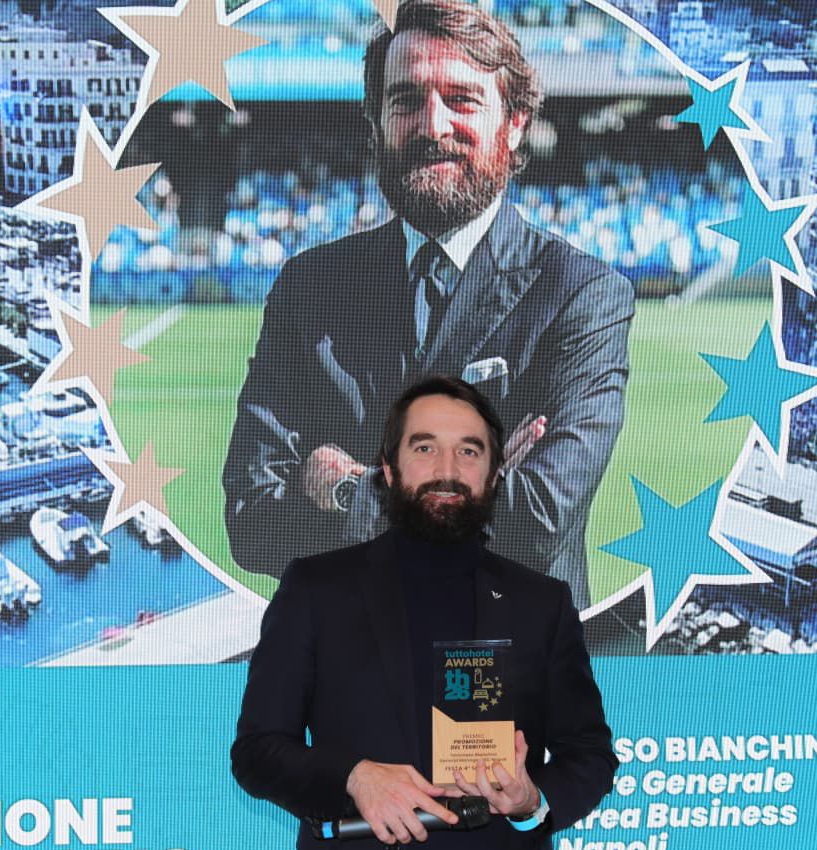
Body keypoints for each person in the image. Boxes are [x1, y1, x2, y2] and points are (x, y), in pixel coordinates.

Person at [232, 376, 617, 850]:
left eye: (469, 451)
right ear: (388, 469)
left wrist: (532, 799)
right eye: (424, 447)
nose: (447, 468)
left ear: (494, 473)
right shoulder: (317, 590)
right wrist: (354, 777)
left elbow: (589, 756)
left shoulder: (540, 603)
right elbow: (258, 751)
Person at [222, 0, 635, 610]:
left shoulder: (581, 295)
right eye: (406, 100)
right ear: (376, 124)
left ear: (514, 123)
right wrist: (476, 488)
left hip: (504, 653)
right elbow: (252, 521)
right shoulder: (309, 286)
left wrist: (347, 491)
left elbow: (536, 523)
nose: (433, 124)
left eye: (462, 99)